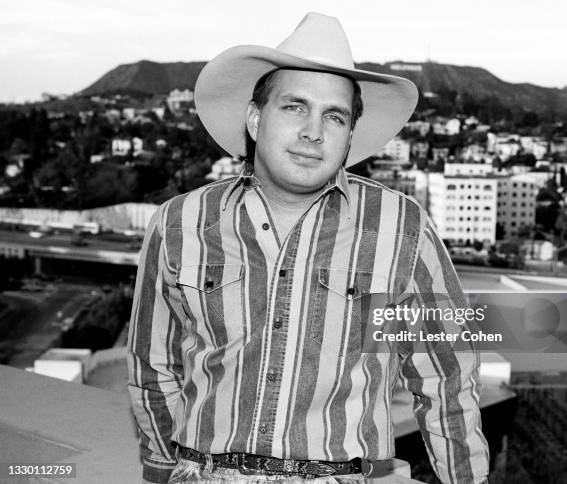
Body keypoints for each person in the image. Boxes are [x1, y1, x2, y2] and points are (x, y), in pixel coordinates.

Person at [127, 12, 489, 484]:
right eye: (294, 107)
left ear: (349, 136)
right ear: (256, 118)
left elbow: (446, 377)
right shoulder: (180, 222)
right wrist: (161, 468)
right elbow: (154, 364)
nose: (313, 132)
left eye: (333, 116)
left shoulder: (400, 229)